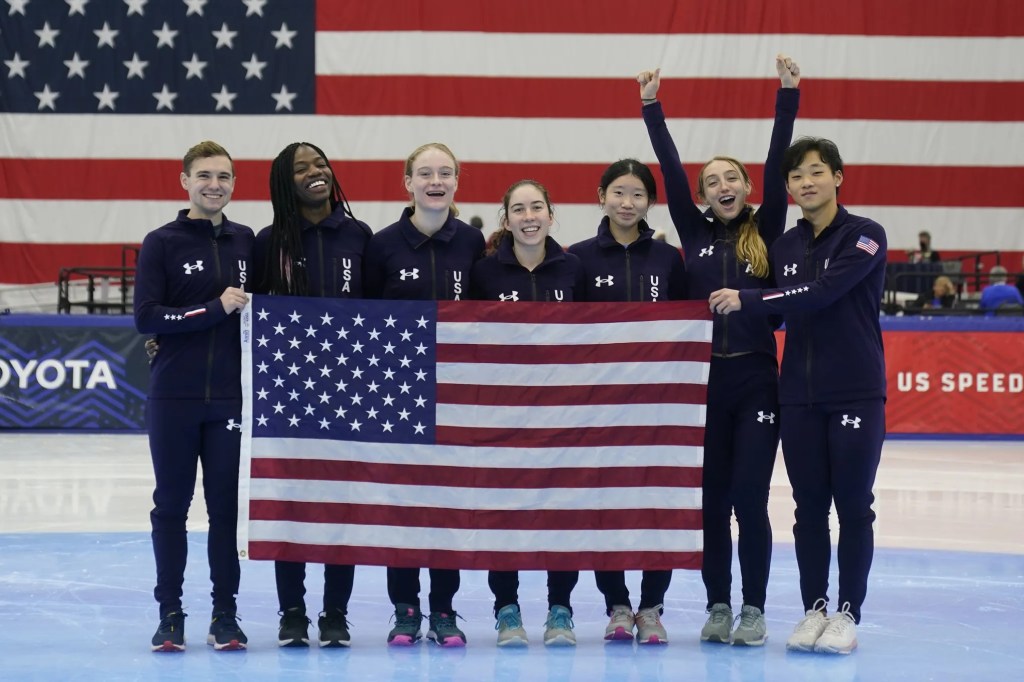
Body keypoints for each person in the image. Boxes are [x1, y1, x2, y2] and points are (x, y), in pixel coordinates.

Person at [636, 55, 800, 647]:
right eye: (712, 182)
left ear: (747, 188)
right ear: (703, 196)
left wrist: (787, 96)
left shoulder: (769, 227)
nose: (722, 187)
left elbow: (780, 158)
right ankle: (718, 605)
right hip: (704, 386)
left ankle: (753, 608)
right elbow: (669, 169)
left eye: (731, 178)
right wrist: (651, 107)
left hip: (756, 382)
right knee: (711, 504)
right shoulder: (694, 231)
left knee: (750, 501)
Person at [709, 136, 888, 655]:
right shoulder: (783, 246)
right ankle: (815, 609)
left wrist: (748, 298)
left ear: (837, 177)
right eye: (796, 176)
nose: (806, 183)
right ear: (787, 187)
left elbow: (823, 292)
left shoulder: (865, 235)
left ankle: (847, 613)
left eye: (816, 172)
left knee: (853, 505)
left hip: (854, 392)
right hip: (797, 397)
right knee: (808, 508)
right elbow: (775, 313)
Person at [363, 142, 485, 646]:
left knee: (446, 506)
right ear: (408, 183)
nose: (436, 181)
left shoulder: (473, 243)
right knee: (404, 507)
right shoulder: (382, 245)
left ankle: (444, 609)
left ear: (456, 182)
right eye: (426, 173)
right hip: (398, 398)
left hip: (455, 397)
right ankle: (406, 609)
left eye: (445, 173)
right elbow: (364, 320)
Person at [134, 141, 254, 652]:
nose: (214, 185)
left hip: (229, 400)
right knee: (170, 507)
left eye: (224, 176)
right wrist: (212, 308)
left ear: (234, 184)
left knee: (225, 509)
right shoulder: (161, 242)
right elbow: (146, 317)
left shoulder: (247, 241)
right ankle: (170, 613)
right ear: (184, 181)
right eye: (204, 175)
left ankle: (225, 614)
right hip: (174, 399)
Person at [252, 142, 373, 648]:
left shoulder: (358, 234)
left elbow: (381, 311)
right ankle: (292, 612)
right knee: (292, 506)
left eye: (320, 163)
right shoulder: (268, 242)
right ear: (286, 183)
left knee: (342, 507)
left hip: (350, 396)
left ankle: (336, 612)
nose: (315, 172)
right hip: (289, 395)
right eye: (301, 168)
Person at [567, 159, 686, 644]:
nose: (627, 202)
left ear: (650, 202)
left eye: (638, 194)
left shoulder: (669, 260)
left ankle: (652, 606)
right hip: (601, 406)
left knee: (659, 501)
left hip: (659, 406)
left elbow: (685, 327)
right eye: (618, 192)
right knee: (607, 504)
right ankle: (617, 604)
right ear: (601, 196)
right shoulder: (577, 258)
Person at [469, 179, 584, 647]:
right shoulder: (484, 273)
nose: (529, 216)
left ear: (551, 215)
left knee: (562, 513)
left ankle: (561, 609)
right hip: (504, 414)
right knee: (504, 513)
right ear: (507, 219)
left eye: (537, 207)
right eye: (519, 209)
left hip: (563, 414)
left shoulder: (573, 268)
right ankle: (506, 609)